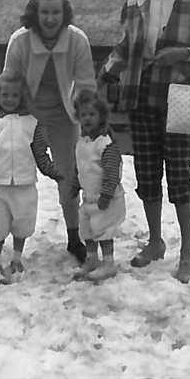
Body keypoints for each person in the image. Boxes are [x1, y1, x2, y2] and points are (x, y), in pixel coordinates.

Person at [98, 0, 190, 283]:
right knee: (148, 175)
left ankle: (187, 251)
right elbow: (125, 48)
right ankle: (155, 242)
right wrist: (105, 74)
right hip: (141, 97)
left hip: (180, 99)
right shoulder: (134, 2)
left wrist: (185, 53)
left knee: (179, 175)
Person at [0, 0, 97, 263]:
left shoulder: (78, 41)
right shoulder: (20, 41)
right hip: (25, 115)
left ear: (64, 13)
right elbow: (8, 83)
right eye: (45, 12)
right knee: (10, 174)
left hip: (64, 116)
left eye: (56, 12)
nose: (51, 18)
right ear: (35, 13)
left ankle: (74, 236)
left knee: (68, 176)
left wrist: (88, 114)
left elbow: (87, 84)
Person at [0, 72, 63, 284]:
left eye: (14, 95)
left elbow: (41, 154)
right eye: (5, 95)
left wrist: (54, 172)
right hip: (1, 186)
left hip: (25, 184)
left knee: (22, 223)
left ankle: (16, 257)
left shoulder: (33, 124)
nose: (9, 99)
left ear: (22, 97)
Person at [69, 89, 125, 282]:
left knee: (103, 231)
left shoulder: (105, 144)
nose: (87, 118)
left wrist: (106, 195)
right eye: (83, 115)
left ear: (101, 116)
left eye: (92, 114)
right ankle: (92, 259)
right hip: (88, 199)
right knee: (87, 230)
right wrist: (74, 187)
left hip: (105, 199)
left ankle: (108, 263)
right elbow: (80, 168)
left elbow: (111, 172)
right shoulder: (82, 143)